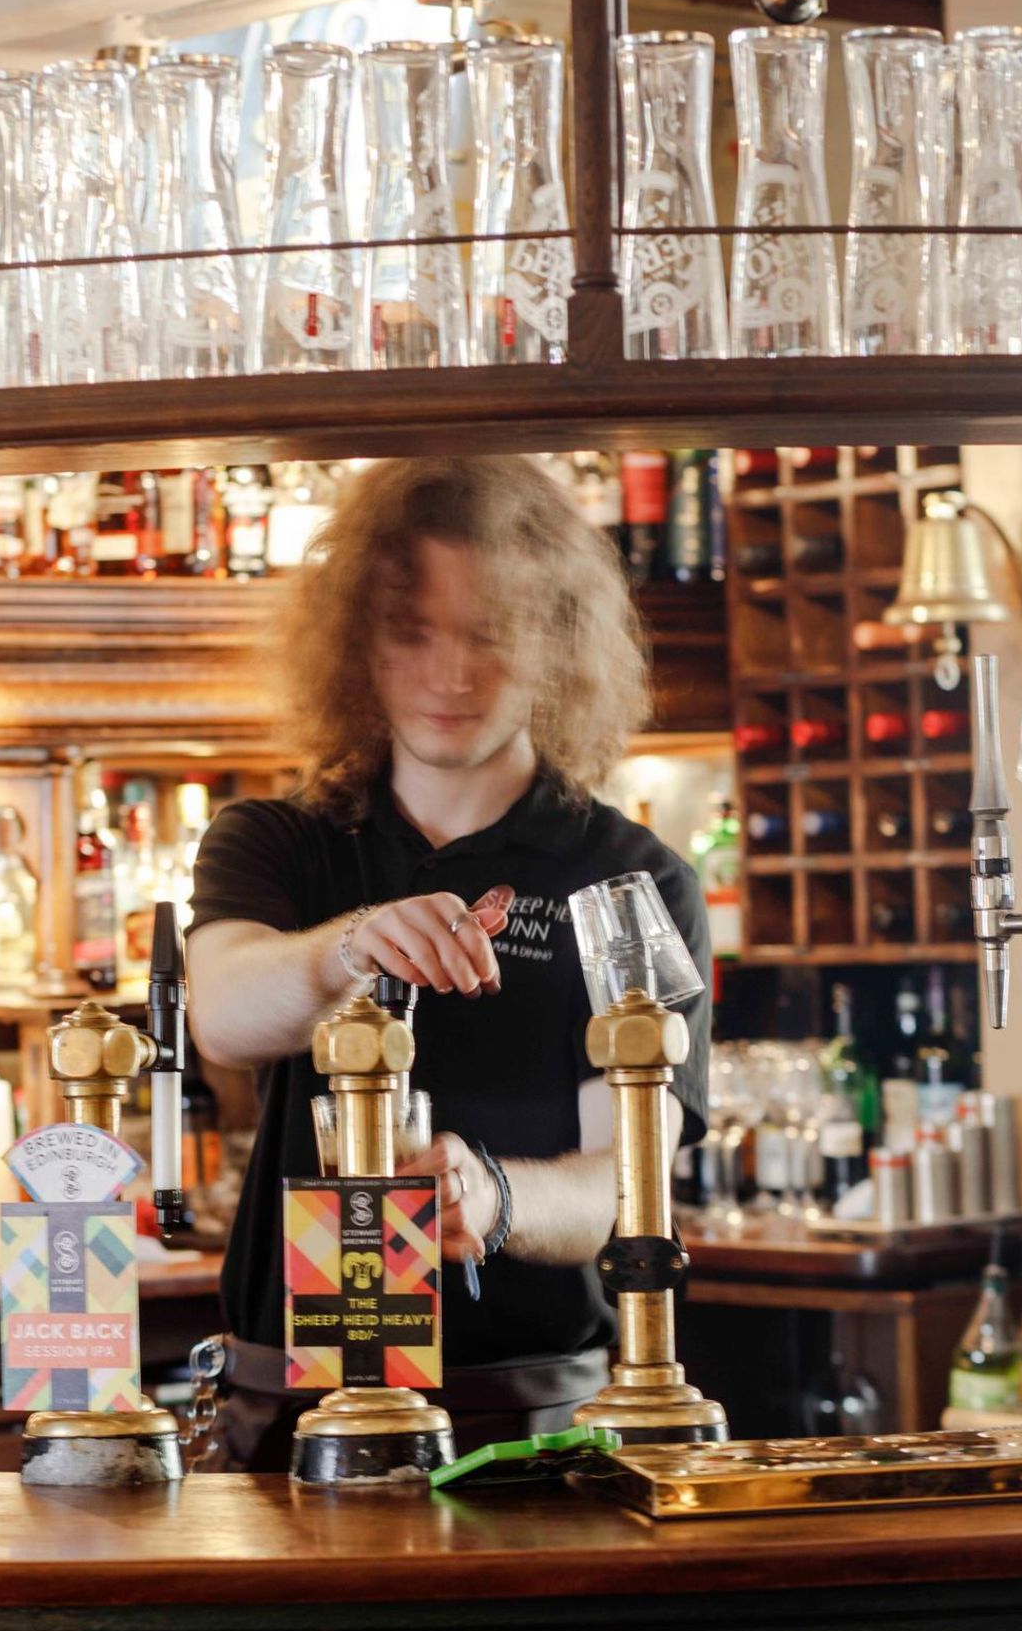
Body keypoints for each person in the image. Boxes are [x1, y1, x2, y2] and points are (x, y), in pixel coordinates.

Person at [186, 456, 711, 1469]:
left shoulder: (628, 877)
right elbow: (224, 1010)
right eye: (412, 632)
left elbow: (628, 1180)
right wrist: (351, 945)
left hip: (524, 1421)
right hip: (292, 1408)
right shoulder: (278, 843)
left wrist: (499, 1201)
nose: (451, 675)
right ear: (357, 644)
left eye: (490, 636)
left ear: (557, 646)